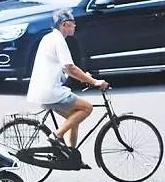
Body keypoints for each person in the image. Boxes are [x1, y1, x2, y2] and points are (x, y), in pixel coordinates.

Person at [26, 9, 108, 150]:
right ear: (64, 24)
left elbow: (65, 69)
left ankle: (71, 155)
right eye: (72, 23)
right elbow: (70, 67)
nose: (75, 26)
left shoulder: (49, 38)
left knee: (74, 118)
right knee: (87, 108)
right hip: (51, 91)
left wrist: (86, 77)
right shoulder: (59, 41)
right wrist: (95, 82)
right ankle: (56, 135)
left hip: (40, 91)